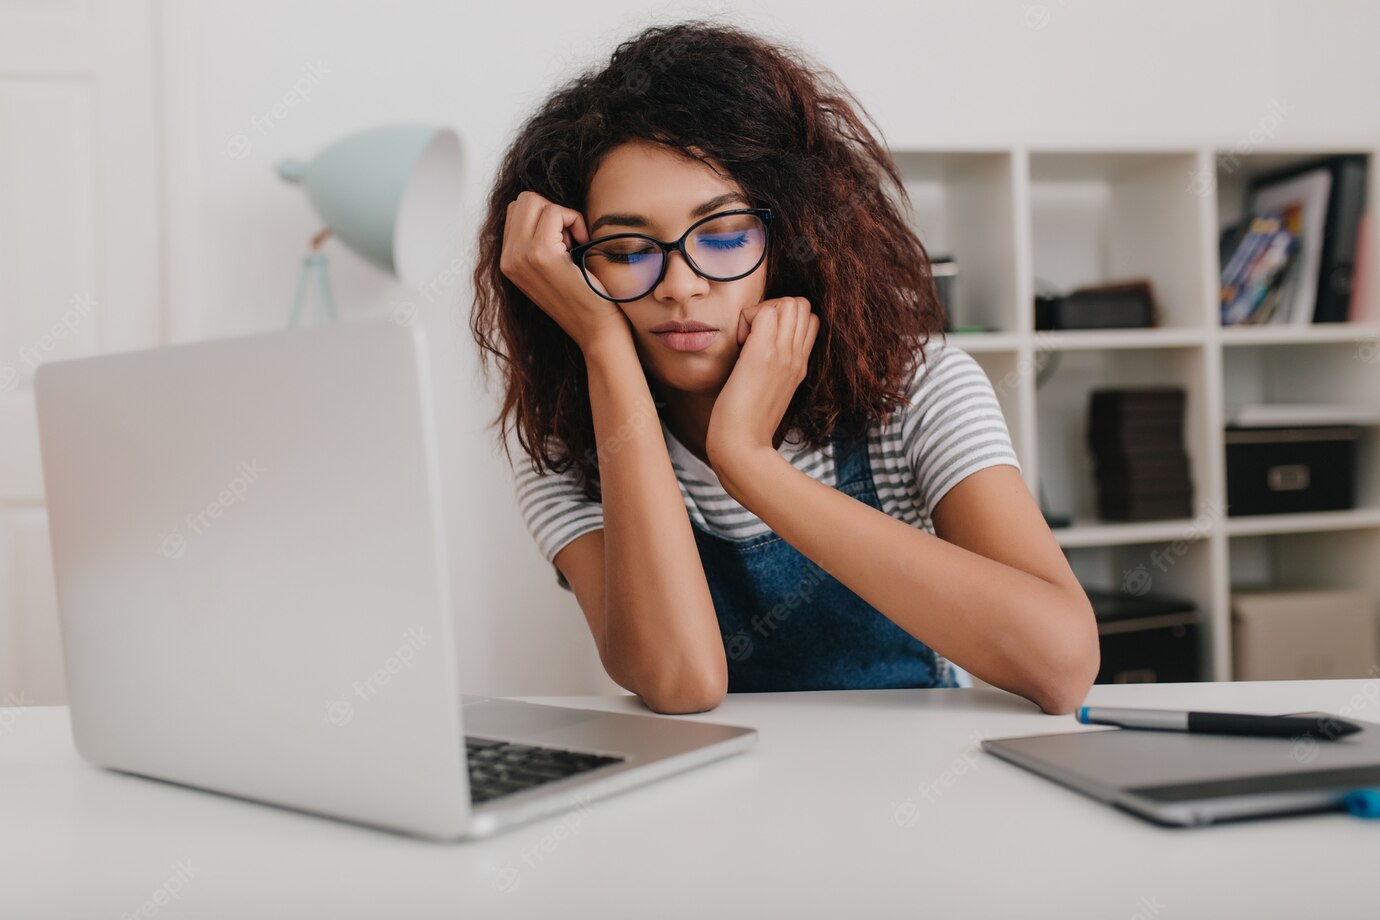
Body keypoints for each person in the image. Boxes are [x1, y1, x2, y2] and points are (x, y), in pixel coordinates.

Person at [471, 21, 1098, 715]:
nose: (680, 285)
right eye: (625, 249)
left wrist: (747, 460)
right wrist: (604, 348)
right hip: (716, 807)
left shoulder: (921, 389)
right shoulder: (567, 445)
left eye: (724, 235)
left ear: (792, 242)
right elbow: (681, 682)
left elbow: (1061, 664)